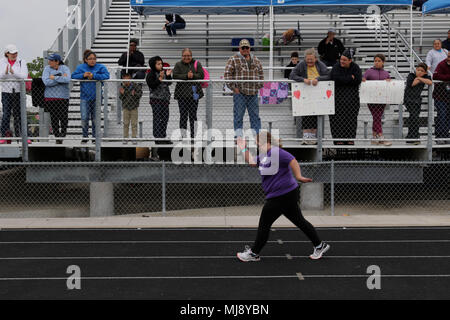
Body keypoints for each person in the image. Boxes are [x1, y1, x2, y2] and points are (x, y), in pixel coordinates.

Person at [235, 131, 330, 262]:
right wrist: (243, 147)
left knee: (265, 223)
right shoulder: (264, 155)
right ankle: (320, 245)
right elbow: (251, 162)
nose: (257, 146)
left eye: (258, 143)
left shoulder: (276, 152)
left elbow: (292, 160)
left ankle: (254, 253)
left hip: (282, 195)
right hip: (286, 194)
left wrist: (298, 176)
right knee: (299, 221)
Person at [224, 39, 264, 137]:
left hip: (253, 93)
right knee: (238, 116)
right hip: (240, 93)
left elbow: (261, 74)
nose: (245, 49)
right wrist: (234, 88)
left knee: (255, 116)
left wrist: (258, 86)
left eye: (247, 47)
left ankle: (257, 136)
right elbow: (227, 74)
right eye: (243, 48)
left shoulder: (256, 60)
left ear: (250, 48)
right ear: (239, 48)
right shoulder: (233, 59)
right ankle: (238, 137)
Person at [289, 48, 330, 145]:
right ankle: (306, 136)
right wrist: (303, 80)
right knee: (306, 113)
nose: (310, 61)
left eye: (311, 59)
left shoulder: (320, 65)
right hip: (305, 93)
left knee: (316, 114)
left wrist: (318, 79)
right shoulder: (302, 64)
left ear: (316, 58)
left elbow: (328, 75)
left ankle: (314, 136)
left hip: (318, 94)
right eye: (308, 60)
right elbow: (292, 75)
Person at [72, 49, 110, 143]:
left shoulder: (100, 67)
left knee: (95, 119)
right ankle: (85, 137)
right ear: (86, 60)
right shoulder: (81, 67)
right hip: (84, 97)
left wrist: (94, 76)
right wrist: (83, 75)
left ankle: (94, 138)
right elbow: (73, 75)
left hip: (97, 97)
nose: (93, 60)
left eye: (94, 58)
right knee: (84, 117)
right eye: (90, 59)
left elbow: (106, 75)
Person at [329, 48, 362, 145]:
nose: (342, 62)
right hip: (337, 100)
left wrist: (345, 79)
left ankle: (350, 138)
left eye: (344, 60)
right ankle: (338, 139)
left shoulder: (355, 67)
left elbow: (357, 80)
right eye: (341, 59)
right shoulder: (336, 67)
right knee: (337, 120)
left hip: (352, 100)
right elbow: (335, 79)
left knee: (351, 119)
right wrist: (349, 78)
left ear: (350, 61)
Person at [0, 44, 29, 144]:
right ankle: (4, 135)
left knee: (19, 114)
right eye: (12, 53)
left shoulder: (21, 62)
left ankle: (23, 136)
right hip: (6, 92)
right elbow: (1, 76)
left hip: (18, 92)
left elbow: (24, 76)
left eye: (15, 53)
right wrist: (5, 72)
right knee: (6, 114)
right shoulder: (2, 61)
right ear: (6, 53)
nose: (14, 55)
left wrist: (13, 73)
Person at [172, 48, 204, 139]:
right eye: (185, 56)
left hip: (194, 94)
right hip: (182, 95)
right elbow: (175, 75)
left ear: (191, 55)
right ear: (182, 56)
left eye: (188, 55)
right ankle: (183, 136)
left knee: (193, 116)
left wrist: (193, 76)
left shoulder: (197, 64)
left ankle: (194, 136)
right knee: (183, 116)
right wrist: (186, 76)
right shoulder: (178, 64)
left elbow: (201, 75)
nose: (187, 57)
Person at [362, 54, 392, 146]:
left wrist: (389, 81)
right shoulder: (369, 71)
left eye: (379, 61)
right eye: (375, 61)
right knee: (377, 116)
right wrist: (363, 80)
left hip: (382, 99)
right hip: (371, 99)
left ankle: (374, 137)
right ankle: (381, 136)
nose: (377, 62)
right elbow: (363, 79)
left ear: (383, 62)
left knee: (377, 117)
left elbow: (389, 83)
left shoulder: (386, 73)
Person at [146, 56, 173, 158]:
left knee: (165, 118)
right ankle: (157, 138)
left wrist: (168, 76)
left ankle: (163, 136)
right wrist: (159, 79)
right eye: (158, 64)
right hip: (156, 100)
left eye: (161, 64)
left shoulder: (163, 72)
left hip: (165, 100)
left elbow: (169, 83)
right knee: (157, 118)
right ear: (153, 65)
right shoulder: (151, 74)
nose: (160, 65)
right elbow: (152, 85)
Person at [42, 53, 71, 144]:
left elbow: (67, 80)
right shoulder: (47, 69)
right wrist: (60, 78)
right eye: (49, 60)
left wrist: (54, 77)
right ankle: (57, 136)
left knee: (63, 117)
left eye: (51, 60)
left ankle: (63, 134)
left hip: (63, 97)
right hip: (50, 97)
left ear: (57, 61)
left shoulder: (65, 68)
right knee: (54, 117)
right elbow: (46, 82)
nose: (49, 62)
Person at [403, 63, 432, 145]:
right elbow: (412, 84)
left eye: (422, 71)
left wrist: (419, 78)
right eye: (418, 70)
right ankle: (415, 136)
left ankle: (410, 137)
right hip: (408, 99)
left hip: (417, 100)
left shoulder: (424, 76)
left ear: (425, 72)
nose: (419, 72)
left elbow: (430, 82)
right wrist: (420, 78)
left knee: (413, 117)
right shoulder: (411, 75)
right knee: (414, 116)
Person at [119, 73, 143, 145]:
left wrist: (135, 94)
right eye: (124, 80)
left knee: (134, 124)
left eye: (127, 80)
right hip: (126, 107)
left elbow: (140, 95)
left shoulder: (135, 86)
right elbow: (121, 98)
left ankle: (134, 138)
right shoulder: (122, 87)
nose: (126, 81)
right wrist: (122, 94)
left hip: (134, 107)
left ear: (130, 79)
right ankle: (125, 138)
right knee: (125, 123)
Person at [432, 51, 450, 144]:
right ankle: (439, 135)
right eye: (448, 56)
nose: (449, 58)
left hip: (448, 97)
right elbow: (435, 75)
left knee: (448, 117)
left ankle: (446, 135)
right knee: (441, 115)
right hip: (440, 96)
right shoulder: (441, 64)